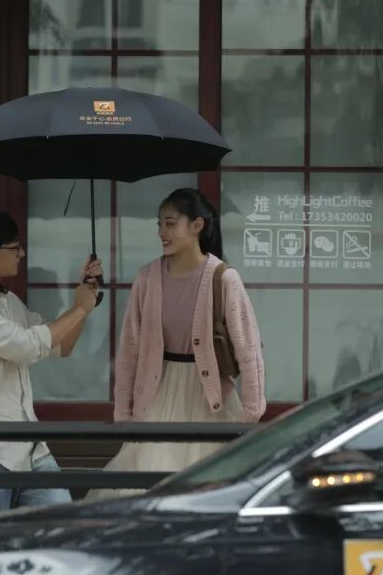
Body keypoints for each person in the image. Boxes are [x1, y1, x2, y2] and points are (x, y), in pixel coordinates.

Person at [90, 188, 266, 498]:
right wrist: (124, 415)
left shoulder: (224, 278)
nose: (162, 232)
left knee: (207, 489)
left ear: (197, 225)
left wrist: (251, 411)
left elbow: (248, 349)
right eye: (159, 224)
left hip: (210, 400)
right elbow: (129, 350)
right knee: (144, 489)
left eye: (170, 224)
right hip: (156, 396)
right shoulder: (147, 278)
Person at [0, 209, 102, 518]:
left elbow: (60, 345)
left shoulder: (8, 302)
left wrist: (84, 301)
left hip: (29, 449)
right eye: (14, 248)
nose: (21, 254)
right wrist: (78, 311)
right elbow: (27, 347)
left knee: (62, 527)